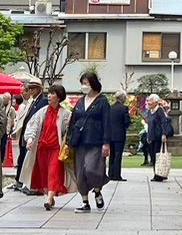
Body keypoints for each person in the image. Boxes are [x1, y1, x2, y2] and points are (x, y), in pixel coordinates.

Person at [23, 83, 73, 210]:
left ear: (59, 97)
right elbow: (33, 126)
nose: (50, 96)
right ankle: (50, 195)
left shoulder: (65, 113)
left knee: (53, 172)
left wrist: (68, 126)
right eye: (49, 93)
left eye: (53, 94)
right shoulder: (42, 112)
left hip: (57, 148)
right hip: (42, 148)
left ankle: (49, 198)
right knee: (44, 173)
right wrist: (30, 139)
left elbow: (69, 132)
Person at [67, 70, 112, 212]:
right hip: (79, 142)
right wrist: (68, 142)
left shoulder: (102, 102)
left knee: (92, 169)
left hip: (96, 141)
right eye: (82, 83)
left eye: (86, 83)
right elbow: (73, 122)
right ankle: (85, 201)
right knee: (80, 173)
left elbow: (107, 123)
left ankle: (97, 189)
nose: (84, 86)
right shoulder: (80, 102)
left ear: (93, 83)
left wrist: (106, 142)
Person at [13, 80, 47, 192]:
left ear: (39, 89)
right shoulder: (33, 101)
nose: (31, 91)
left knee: (29, 159)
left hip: (35, 135)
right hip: (27, 133)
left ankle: (28, 183)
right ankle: (22, 181)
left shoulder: (42, 101)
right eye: (29, 89)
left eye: (33, 89)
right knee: (22, 158)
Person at [146, 95, 175, 182]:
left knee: (158, 156)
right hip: (152, 137)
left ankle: (159, 175)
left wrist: (164, 134)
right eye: (148, 101)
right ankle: (156, 173)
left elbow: (164, 123)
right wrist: (148, 136)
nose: (148, 102)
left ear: (155, 102)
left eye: (150, 101)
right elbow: (149, 125)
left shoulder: (159, 110)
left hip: (159, 137)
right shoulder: (150, 111)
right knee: (153, 156)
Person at [106, 91, 132, 182]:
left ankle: (110, 174)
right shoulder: (124, 108)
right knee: (118, 155)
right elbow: (127, 121)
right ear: (123, 98)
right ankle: (116, 175)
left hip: (110, 135)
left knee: (112, 155)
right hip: (119, 135)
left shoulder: (110, 108)